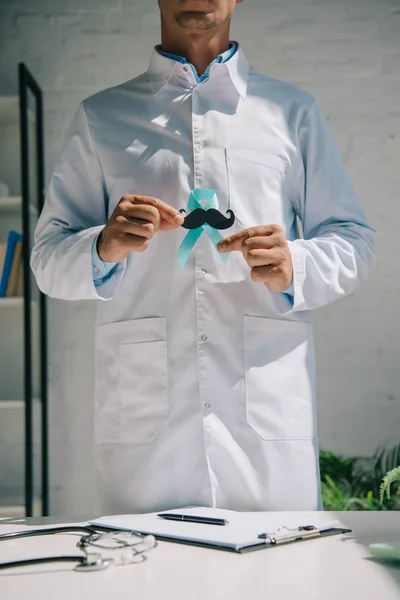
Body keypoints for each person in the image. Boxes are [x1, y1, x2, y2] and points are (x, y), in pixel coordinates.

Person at [31, 0, 376, 514]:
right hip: (148, 438)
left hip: (265, 427)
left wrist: (293, 265)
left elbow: (354, 241)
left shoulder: (292, 112)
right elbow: (46, 260)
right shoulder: (100, 117)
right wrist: (102, 246)